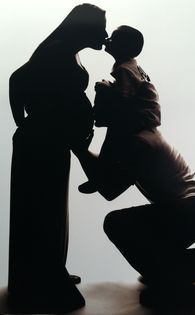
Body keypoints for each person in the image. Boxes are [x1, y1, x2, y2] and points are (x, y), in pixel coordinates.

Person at [76, 25, 195, 307]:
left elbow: (108, 188)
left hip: (191, 208)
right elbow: (105, 173)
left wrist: (77, 147)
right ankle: (185, 267)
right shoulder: (132, 132)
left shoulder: (137, 140)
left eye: (99, 106)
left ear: (117, 107)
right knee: (156, 263)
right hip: (192, 209)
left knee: (117, 223)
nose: (94, 113)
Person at [8, 4, 107, 312]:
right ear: (84, 27)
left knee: (50, 211)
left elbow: (18, 79)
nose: (104, 34)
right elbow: (15, 79)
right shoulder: (57, 50)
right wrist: (24, 124)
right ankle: (44, 282)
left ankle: (49, 272)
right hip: (41, 145)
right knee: (42, 211)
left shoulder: (65, 49)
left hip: (48, 144)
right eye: (101, 27)